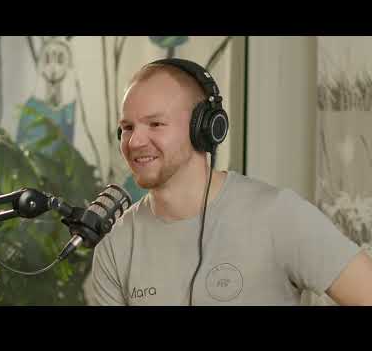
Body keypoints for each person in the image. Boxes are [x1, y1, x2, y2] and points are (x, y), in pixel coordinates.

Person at [89, 58, 372, 306]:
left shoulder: (278, 215)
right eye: (127, 128)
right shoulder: (115, 244)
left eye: (155, 124)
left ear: (205, 127)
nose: (135, 141)